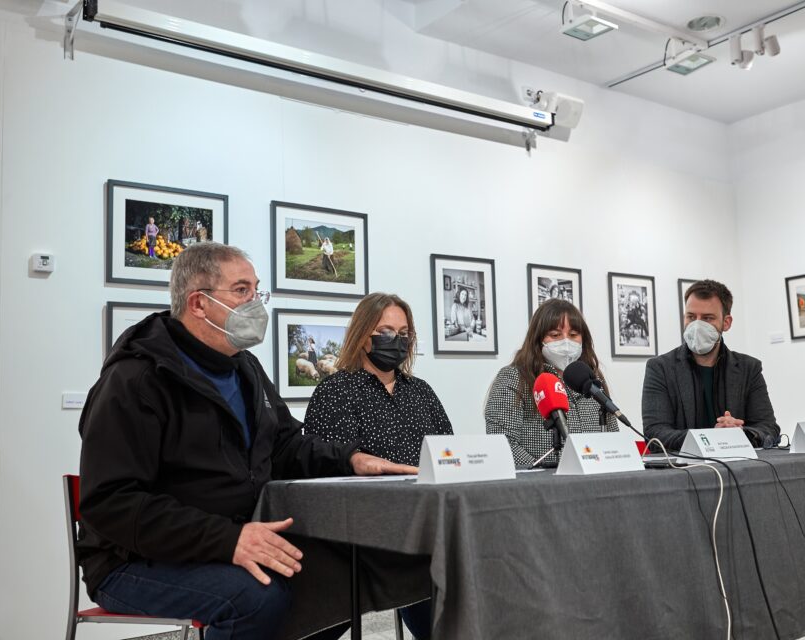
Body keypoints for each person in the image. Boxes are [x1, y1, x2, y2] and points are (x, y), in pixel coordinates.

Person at [78, 243, 415, 640]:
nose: (254, 303)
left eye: (256, 291)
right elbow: (111, 502)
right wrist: (230, 540)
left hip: (227, 539)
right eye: (241, 291)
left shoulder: (245, 369)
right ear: (198, 303)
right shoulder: (136, 380)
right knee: (257, 597)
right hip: (133, 560)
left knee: (345, 577)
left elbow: (287, 445)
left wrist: (352, 459)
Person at [305, 292, 452, 639]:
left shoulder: (421, 392)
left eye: (403, 334)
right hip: (362, 536)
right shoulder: (335, 391)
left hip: (425, 532)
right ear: (363, 334)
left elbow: (449, 454)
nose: (395, 341)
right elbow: (328, 472)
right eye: (386, 331)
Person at [641, 279, 780, 451]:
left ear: (726, 322)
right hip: (684, 470)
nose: (697, 325)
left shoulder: (749, 368)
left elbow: (769, 428)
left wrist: (741, 434)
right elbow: (654, 434)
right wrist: (712, 437)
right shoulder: (660, 368)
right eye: (691, 317)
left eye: (707, 318)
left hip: (741, 468)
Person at [485, 299, 618, 467]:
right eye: (555, 335)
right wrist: (545, 476)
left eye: (573, 335)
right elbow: (503, 443)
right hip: (541, 486)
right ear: (538, 339)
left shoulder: (591, 380)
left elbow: (612, 439)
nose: (566, 342)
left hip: (594, 482)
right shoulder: (513, 377)